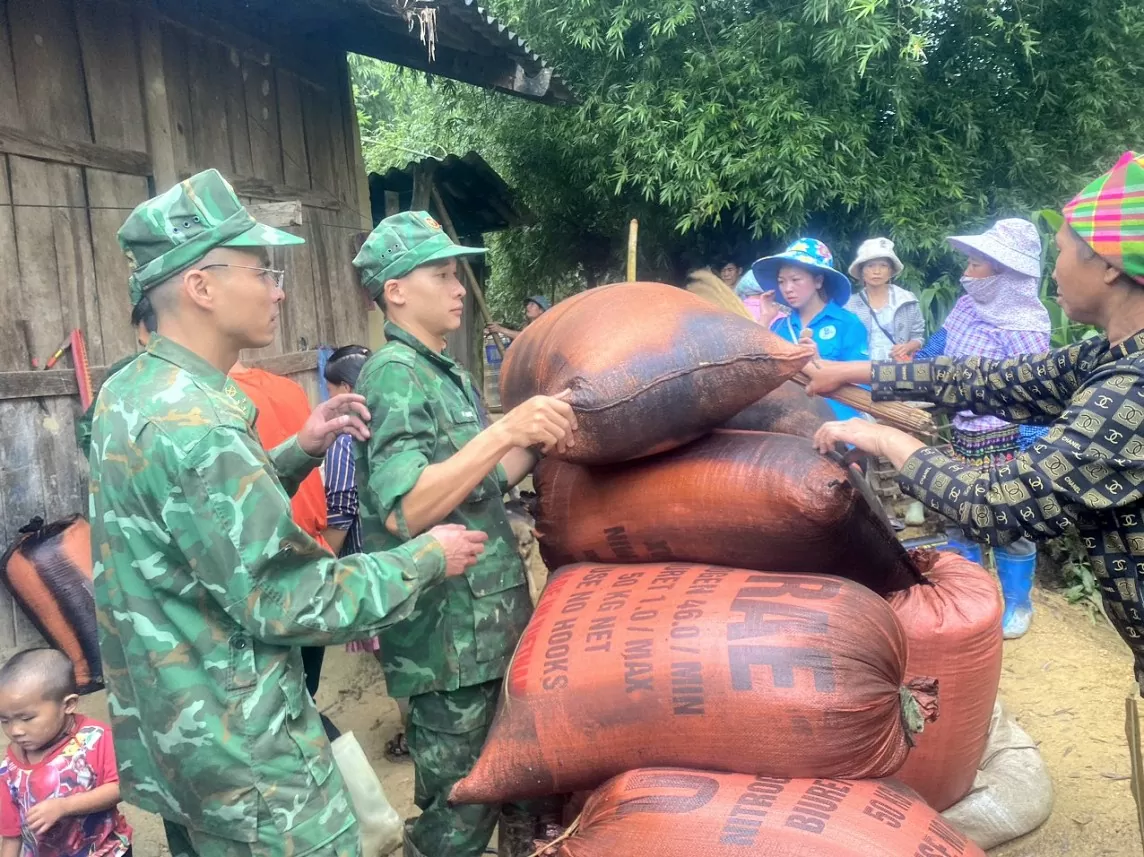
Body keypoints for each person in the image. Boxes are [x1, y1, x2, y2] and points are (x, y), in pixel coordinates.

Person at [90, 170, 487, 857]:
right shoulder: (201, 424)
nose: (277, 288)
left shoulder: (130, 393)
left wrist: (296, 451)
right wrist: (424, 558)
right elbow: (285, 593)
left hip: (180, 744)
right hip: (252, 760)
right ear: (201, 286)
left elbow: (190, 529)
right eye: (260, 268)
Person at [806, 151, 1144, 687]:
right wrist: (855, 371)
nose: (1052, 271)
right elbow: (986, 379)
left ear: (1108, 265)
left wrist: (884, 438)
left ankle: (1015, 602)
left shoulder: (1135, 387)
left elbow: (998, 504)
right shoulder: (1109, 354)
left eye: (1060, 253)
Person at [350, 211, 576, 857]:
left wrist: (537, 440)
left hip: (493, 629)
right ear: (396, 288)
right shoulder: (395, 372)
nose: (459, 287)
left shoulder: (443, 370)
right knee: (459, 814)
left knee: (528, 803)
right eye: (442, 273)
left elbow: (477, 482)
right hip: (447, 650)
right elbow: (406, 509)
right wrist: (504, 431)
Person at [228, 359, 340, 740]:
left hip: (266, 571)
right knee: (304, 690)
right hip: (313, 557)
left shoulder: (210, 402)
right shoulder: (289, 389)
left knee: (277, 710)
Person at [911, 219, 1052, 467]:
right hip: (962, 429)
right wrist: (909, 370)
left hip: (1005, 441)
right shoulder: (967, 305)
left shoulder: (1025, 326)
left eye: (975, 265)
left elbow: (1034, 395)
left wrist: (1030, 453)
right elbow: (940, 344)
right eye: (969, 263)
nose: (966, 273)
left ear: (1004, 274)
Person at [0, 648, 131, 857]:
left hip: (106, 851)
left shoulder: (95, 739)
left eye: (26, 719)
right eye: (4, 720)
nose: (15, 731)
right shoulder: (8, 770)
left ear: (68, 704)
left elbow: (121, 788)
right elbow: (11, 835)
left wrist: (64, 806)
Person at [751, 237, 869, 420]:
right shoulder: (779, 325)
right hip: (786, 423)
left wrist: (823, 367)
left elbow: (863, 384)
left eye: (795, 279)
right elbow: (754, 371)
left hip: (837, 425)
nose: (787, 288)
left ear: (818, 281)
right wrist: (765, 319)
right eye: (781, 281)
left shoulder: (847, 323)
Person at [75, 298, 158, 459]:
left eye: (157, 347)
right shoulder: (125, 372)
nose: (150, 356)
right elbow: (88, 431)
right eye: (146, 347)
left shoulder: (216, 372)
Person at [844, 237, 926, 362]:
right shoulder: (849, 305)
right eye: (870, 266)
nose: (877, 271)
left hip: (897, 369)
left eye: (883, 266)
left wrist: (907, 347)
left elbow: (918, 337)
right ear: (862, 272)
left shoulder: (907, 300)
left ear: (890, 271)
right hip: (861, 371)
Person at [484, 295, 550, 342]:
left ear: (541, 310)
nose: (527, 307)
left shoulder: (543, 326)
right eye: (528, 304)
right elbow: (518, 333)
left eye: (532, 304)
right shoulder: (528, 325)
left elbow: (524, 337)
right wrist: (497, 327)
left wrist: (500, 329)